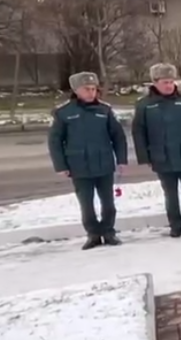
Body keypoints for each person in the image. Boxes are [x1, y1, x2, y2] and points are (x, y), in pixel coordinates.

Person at [47, 71, 128, 250]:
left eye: (93, 89)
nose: (91, 92)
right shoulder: (63, 113)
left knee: (108, 203)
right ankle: (93, 234)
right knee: (86, 204)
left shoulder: (104, 110)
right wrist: (61, 166)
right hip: (79, 166)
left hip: (104, 164)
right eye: (87, 89)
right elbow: (55, 141)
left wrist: (121, 160)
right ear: (76, 91)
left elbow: (118, 136)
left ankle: (108, 232)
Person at [131, 63, 181, 237]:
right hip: (162, 157)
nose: (169, 85)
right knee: (170, 194)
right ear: (155, 83)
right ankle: (175, 225)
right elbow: (139, 132)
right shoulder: (145, 105)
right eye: (165, 82)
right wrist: (145, 156)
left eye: (171, 81)